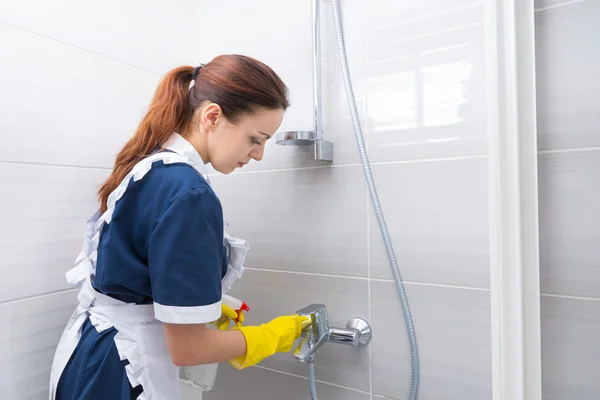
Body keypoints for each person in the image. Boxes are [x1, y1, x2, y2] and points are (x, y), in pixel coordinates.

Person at [48, 54, 309, 400]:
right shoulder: (189, 193)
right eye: (255, 139)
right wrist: (271, 336)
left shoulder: (150, 167)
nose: (259, 154)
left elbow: (133, 271)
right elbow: (189, 349)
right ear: (212, 116)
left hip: (93, 354)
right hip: (123, 371)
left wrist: (197, 303)